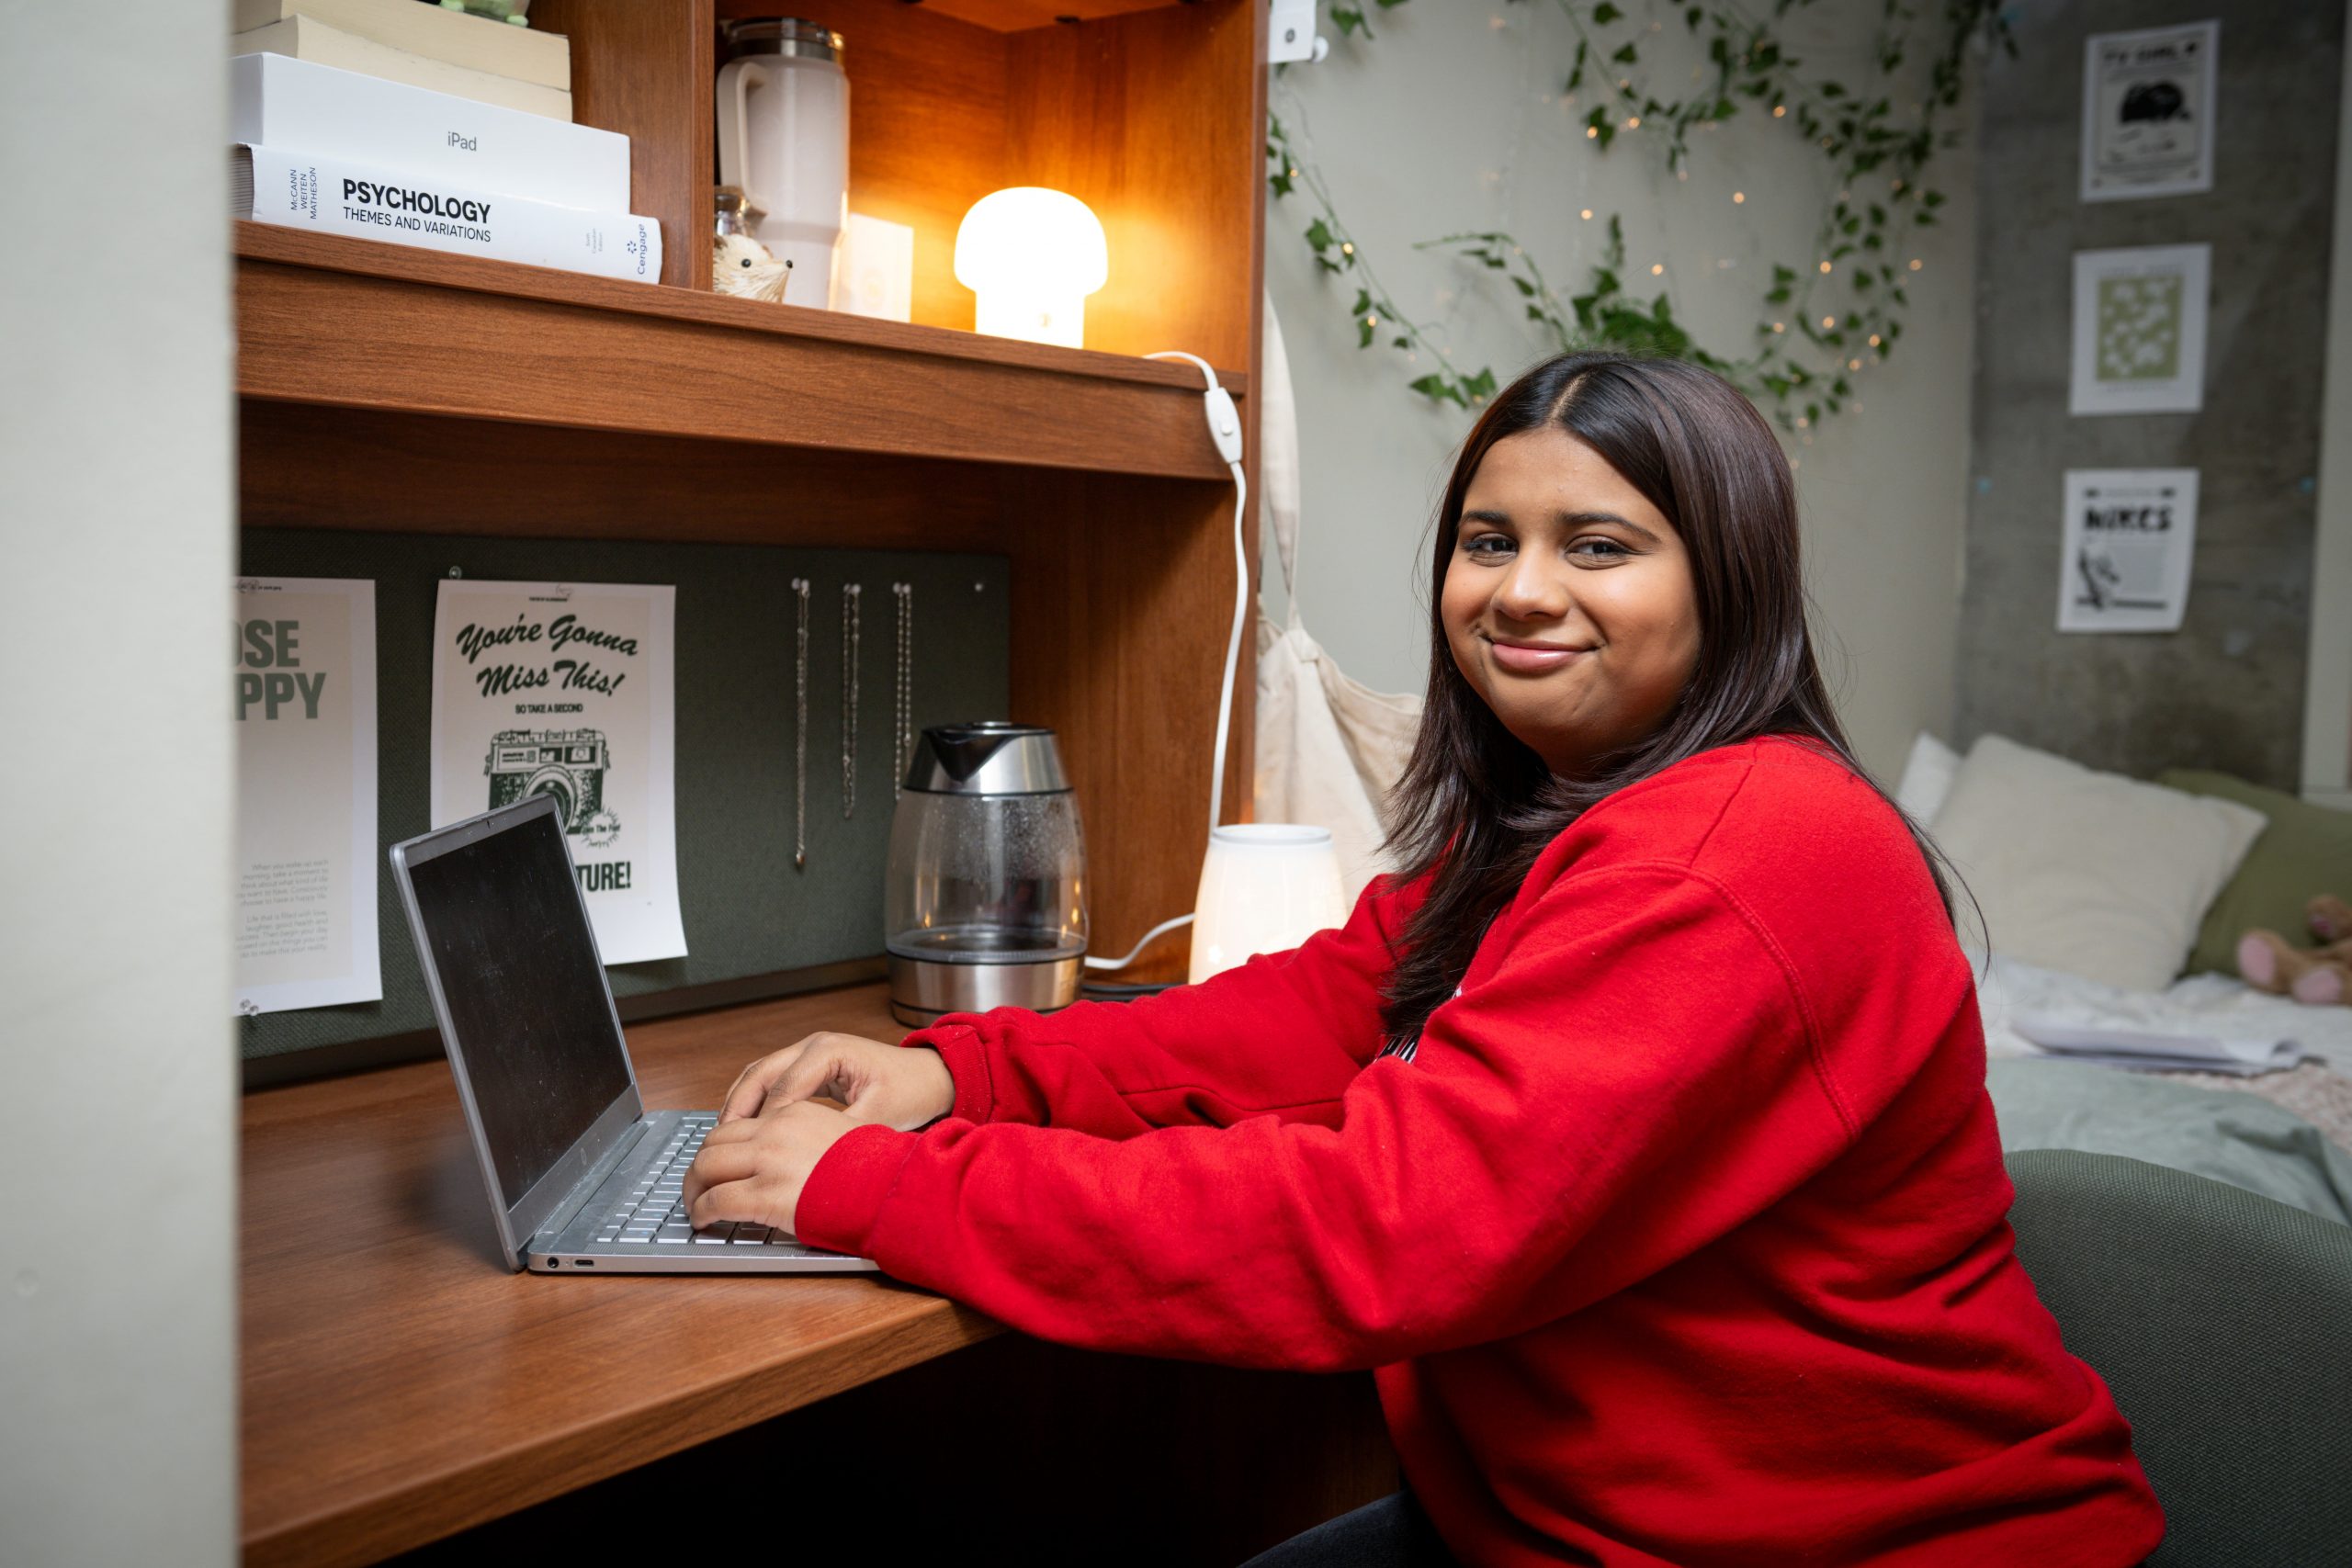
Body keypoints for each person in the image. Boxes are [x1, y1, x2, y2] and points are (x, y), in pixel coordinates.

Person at [684, 351, 2165, 1565]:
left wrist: (876, 1189)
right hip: (1557, 1523)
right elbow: (1290, 1023)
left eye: (1599, 546)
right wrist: (954, 1076)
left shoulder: (1738, 855)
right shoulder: (1558, 825)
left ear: (1728, 585)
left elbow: (1377, 1232)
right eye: (1486, 541)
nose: (1520, 591)